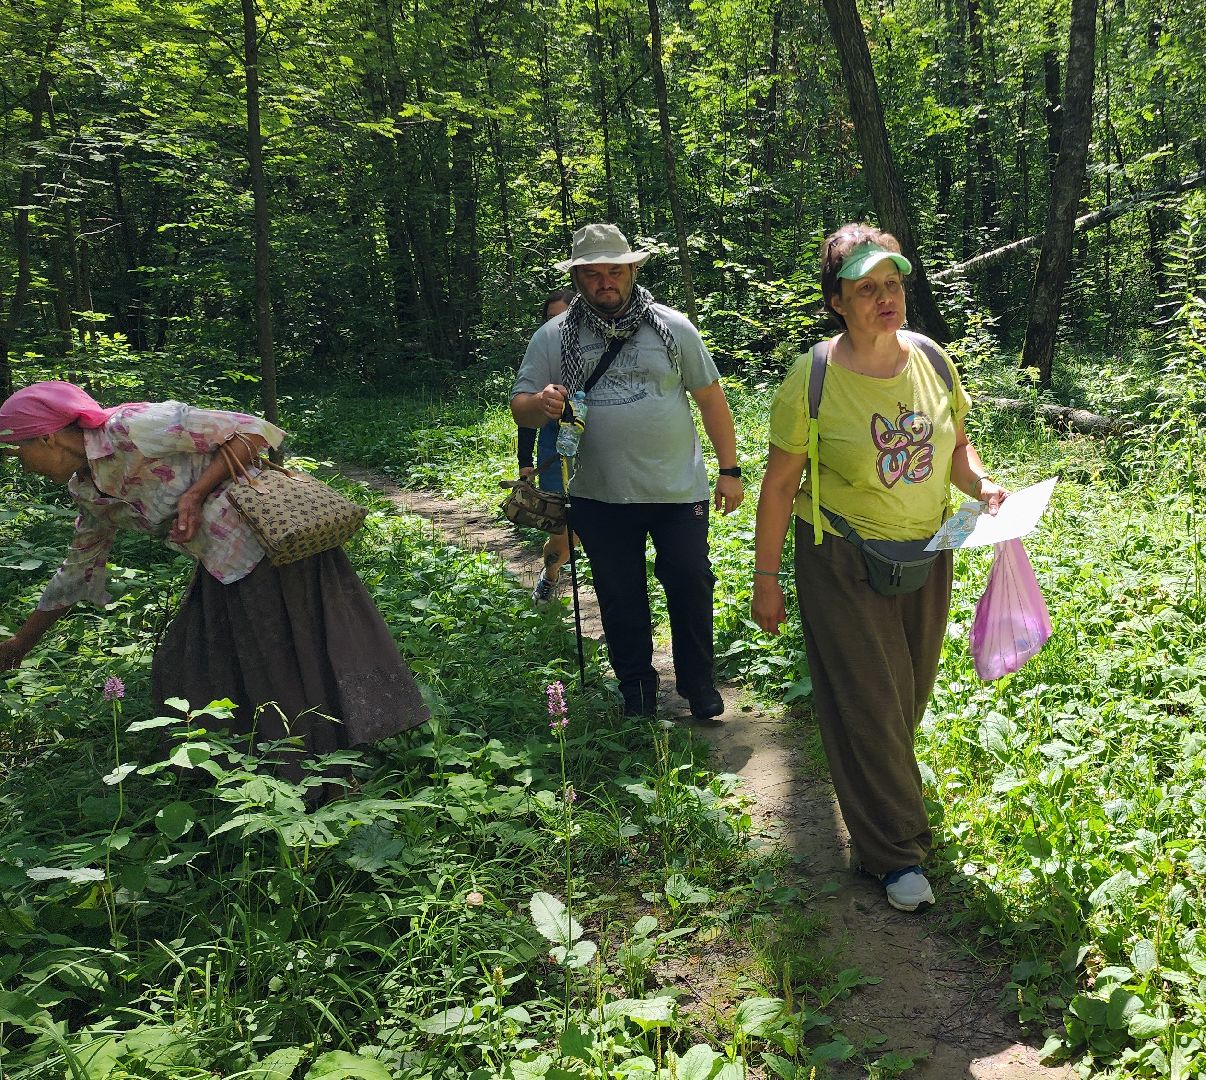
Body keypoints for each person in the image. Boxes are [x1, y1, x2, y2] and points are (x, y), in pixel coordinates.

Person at [750, 223, 1006, 913]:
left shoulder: (930, 358)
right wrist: (765, 579)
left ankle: (885, 803)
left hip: (928, 548)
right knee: (870, 702)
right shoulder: (815, 376)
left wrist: (980, 485)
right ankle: (895, 854)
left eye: (892, 285)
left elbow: (959, 448)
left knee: (906, 697)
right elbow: (778, 487)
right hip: (841, 556)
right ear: (837, 299)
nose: (885, 298)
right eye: (867, 288)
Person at [0, 382, 428, 788]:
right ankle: (242, 771)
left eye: (18, 450)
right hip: (224, 563)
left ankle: (318, 780)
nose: (20, 463)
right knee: (192, 665)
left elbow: (253, 432)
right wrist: (20, 645)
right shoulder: (88, 489)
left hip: (272, 541)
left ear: (48, 438)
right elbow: (79, 570)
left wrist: (195, 494)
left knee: (282, 661)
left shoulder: (133, 427)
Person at [511, 224, 742, 721]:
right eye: (591, 274)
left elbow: (711, 399)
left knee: (690, 581)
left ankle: (699, 683)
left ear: (633, 270)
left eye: (614, 270)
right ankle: (636, 688)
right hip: (598, 493)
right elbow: (521, 407)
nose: (604, 282)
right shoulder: (554, 336)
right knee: (619, 595)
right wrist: (542, 404)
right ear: (576, 279)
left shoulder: (673, 327)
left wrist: (730, 469)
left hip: (678, 489)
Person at [519, 288, 576, 603]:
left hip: (599, 452)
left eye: (564, 317)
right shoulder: (541, 355)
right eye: (551, 318)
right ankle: (551, 574)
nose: (557, 324)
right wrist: (524, 461)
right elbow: (526, 413)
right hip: (555, 452)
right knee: (564, 533)